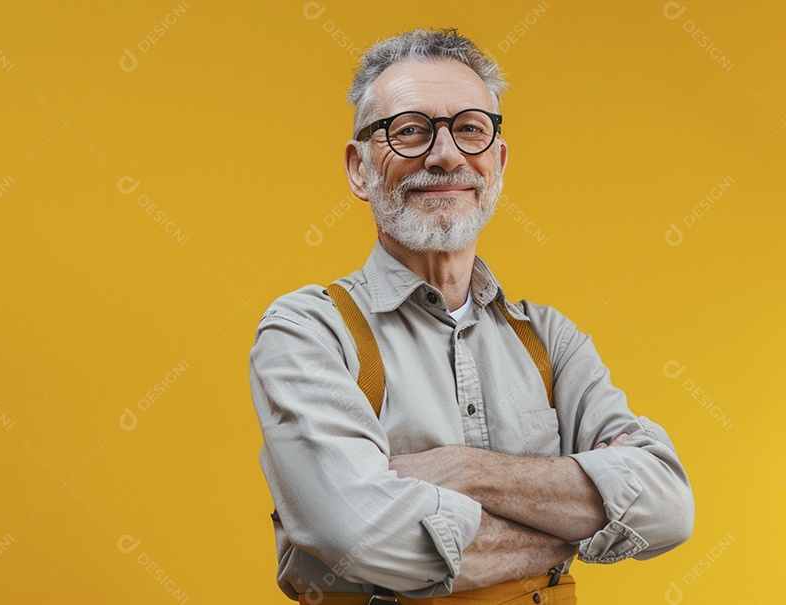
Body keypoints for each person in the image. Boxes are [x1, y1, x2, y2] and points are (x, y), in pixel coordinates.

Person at [248, 28, 694, 604]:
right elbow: (362, 538)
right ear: (359, 168)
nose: (445, 154)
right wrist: (575, 520)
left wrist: (460, 469)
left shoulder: (550, 339)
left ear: (497, 162)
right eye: (409, 130)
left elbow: (667, 506)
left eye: (470, 130)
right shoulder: (309, 332)